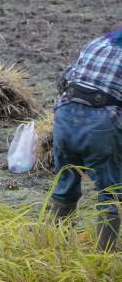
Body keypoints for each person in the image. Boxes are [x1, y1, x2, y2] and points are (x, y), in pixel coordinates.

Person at [49, 28, 122, 251]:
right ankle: (103, 257)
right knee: (111, 195)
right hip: (101, 125)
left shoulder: (97, 43)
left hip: (64, 117)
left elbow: (63, 81)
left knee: (65, 186)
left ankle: (53, 247)